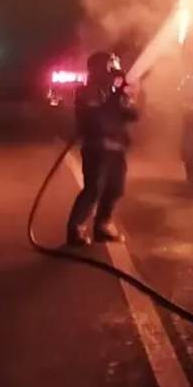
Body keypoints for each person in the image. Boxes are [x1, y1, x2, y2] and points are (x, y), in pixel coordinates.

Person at [67, 51, 138, 246]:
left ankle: (103, 226)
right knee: (93, 189)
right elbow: (94, 115)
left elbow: (132, 115)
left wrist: (127, 96)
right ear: (98, 68)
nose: (115, 70)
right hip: (96, 148)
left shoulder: (115, 91)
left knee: (116, 189)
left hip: (116, 149)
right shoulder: (86, 90)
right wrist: (117, 97)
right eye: (110, 65)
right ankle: (75, 229)